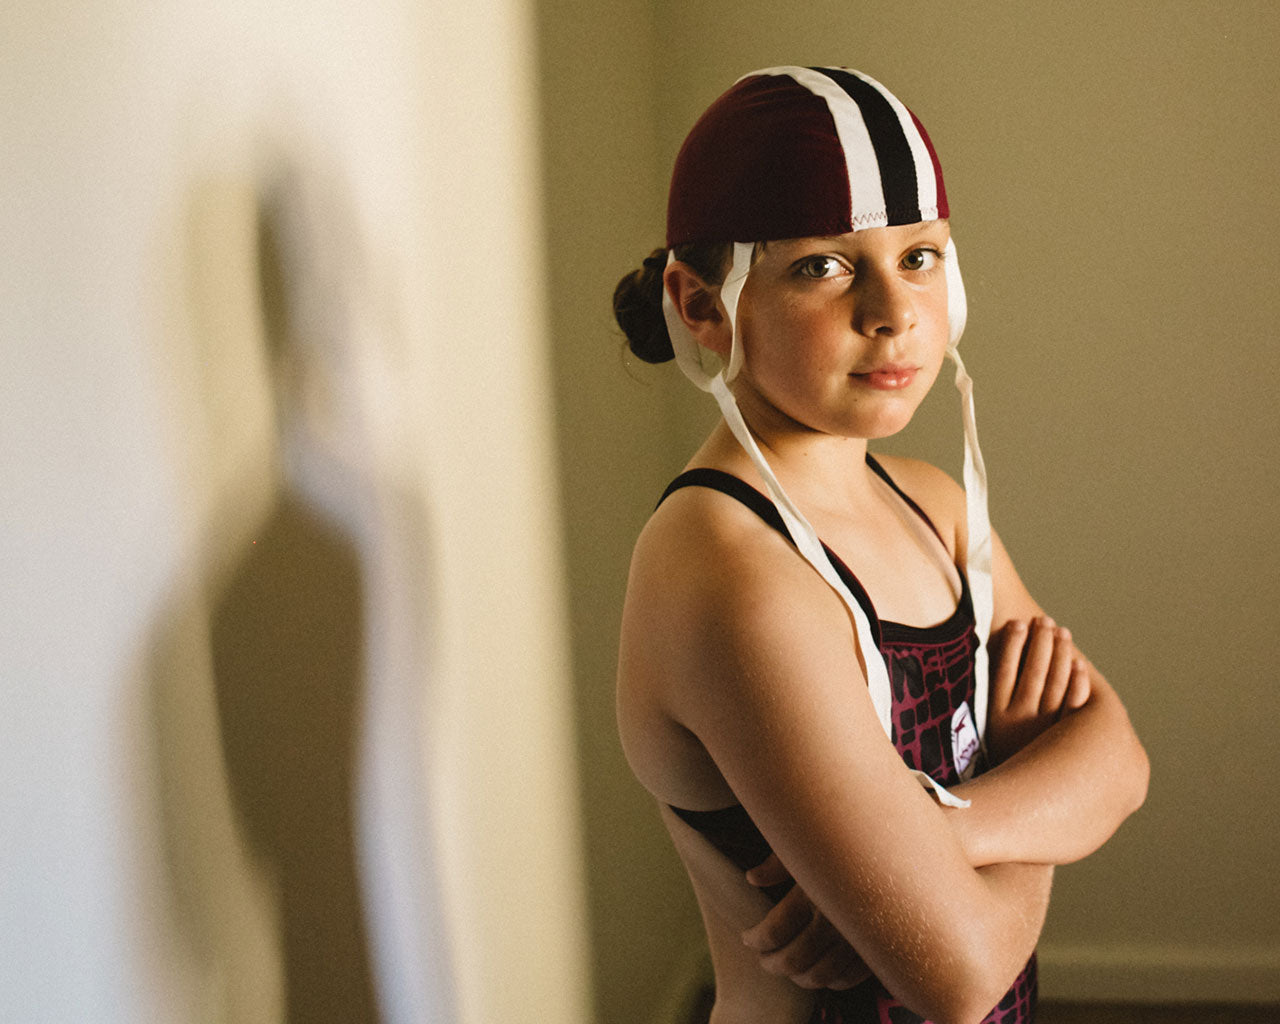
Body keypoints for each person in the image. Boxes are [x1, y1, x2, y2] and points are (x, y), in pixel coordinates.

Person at [612, 66, 1148, 1024]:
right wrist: (1030, 785)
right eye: (823, 265)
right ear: (702, 306)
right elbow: (963, 974)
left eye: (922, 256)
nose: (893, 310)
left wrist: (945, 835)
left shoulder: (932, 503)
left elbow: (1119, 762)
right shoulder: (727, 567)